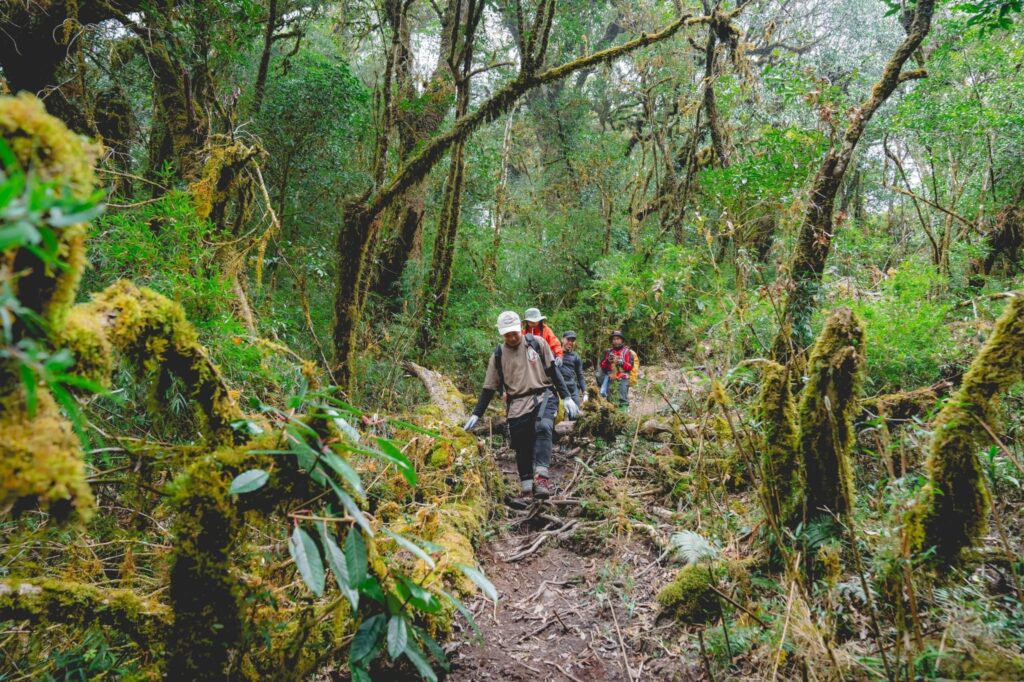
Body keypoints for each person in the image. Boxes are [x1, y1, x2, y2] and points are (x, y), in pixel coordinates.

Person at [464, 311, 579, 499]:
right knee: (520, 443)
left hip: (543, 395)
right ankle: (526, 487)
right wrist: (476, 414)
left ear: (520, 329)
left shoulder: (537, 344)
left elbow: (553, 371)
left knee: (543, 427)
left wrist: (566, 397)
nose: (511, 337)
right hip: (517, 403)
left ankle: (541, 478)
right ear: (502, 334)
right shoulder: (498, 355)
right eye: (507, 334)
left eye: (514, 333)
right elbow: (489, 388)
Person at [598, 330, 634, 409]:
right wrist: (608, 361)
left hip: (623, 379)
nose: (616, 341)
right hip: (611, 379)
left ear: (622, 340)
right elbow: (602, 365)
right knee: (610, 400)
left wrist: (621, 362)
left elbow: (630, 367)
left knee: (622, 399)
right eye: (614, 339)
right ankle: (612, 419)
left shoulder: (627, 352)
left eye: (618, 339)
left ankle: (623, 418)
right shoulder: (609, 352)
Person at [559, 331, 587, 407]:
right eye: (568, 340)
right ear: (562, 340)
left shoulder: (575, 356)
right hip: (558, 387)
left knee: (575, 414)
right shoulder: (555, 353)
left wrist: (585, 392)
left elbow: (580, 375)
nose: (570, 342)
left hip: (572, 387)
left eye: (573, 341)